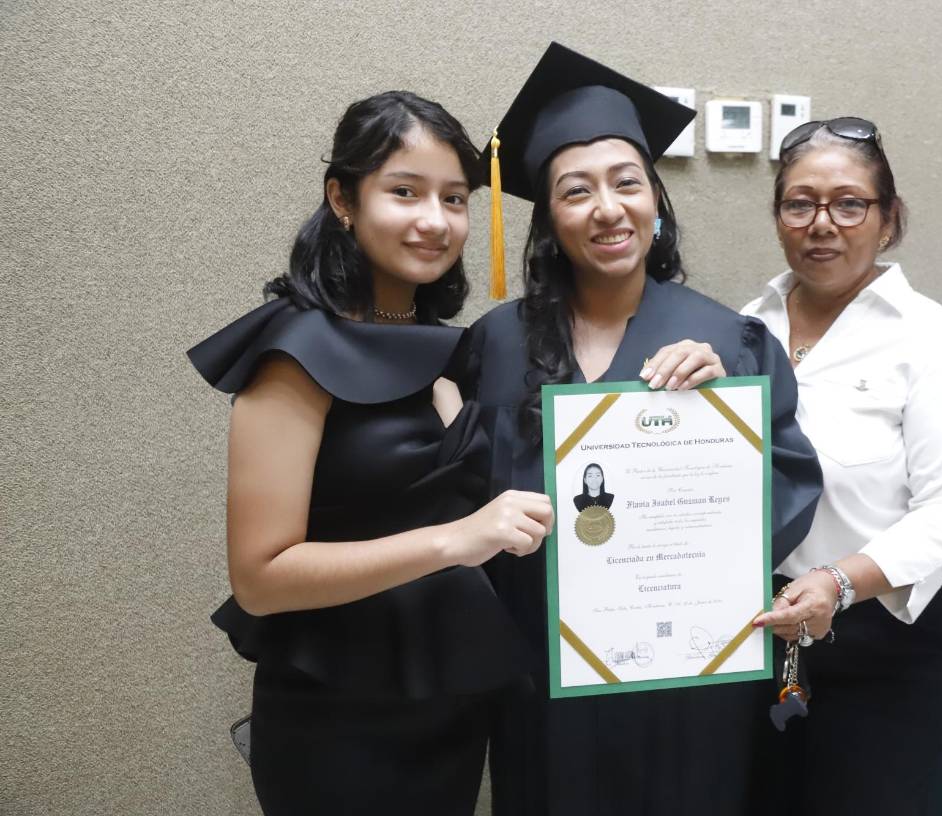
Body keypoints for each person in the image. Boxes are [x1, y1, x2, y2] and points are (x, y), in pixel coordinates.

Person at [461, 43, 824, 816]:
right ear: (547, 219)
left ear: (656, 200)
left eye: (627, 183)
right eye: (575, 191)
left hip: (685, 677)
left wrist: (727, 422)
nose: (607, 208)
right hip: (545, 674)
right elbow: (460, 501)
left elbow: (785, 489)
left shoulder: (728, 342)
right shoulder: (496, 344)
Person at [186, 91, 554, 815]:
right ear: (343, 199)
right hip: (340, 720)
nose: (435, 220)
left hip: (445, 709)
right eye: (405, 192)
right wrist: (455, 540)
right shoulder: (297, 351)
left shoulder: (450, 348)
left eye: (454, 199)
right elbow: (261, 577)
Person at [744, 117, 942, 814]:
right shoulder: (744, 328)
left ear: (887, 221)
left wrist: (836, 582)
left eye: (849, 203)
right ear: (779, 217)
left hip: (892, 644)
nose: (822, 222)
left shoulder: (922, 333)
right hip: (768, 632)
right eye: (800, 203)